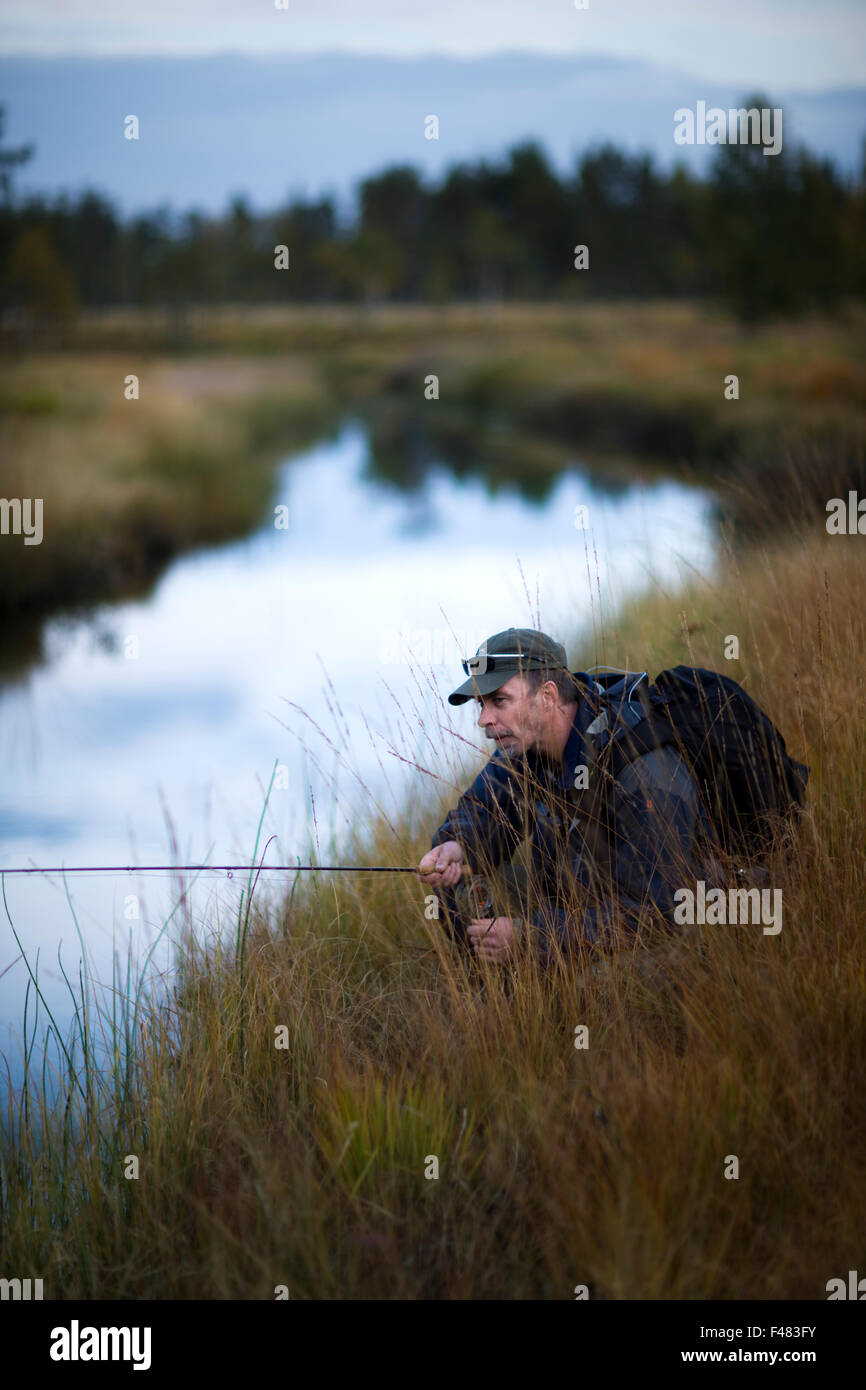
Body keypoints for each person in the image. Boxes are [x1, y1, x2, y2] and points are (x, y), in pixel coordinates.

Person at [418, 628, 722, 967]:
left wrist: (530, 936)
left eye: (499, 701)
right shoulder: (525, 749)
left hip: (677, 930)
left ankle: (555, 1000)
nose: (484, 720)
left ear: (547, 696)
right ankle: (504, 1001)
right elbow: (485, 809)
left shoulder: (644, 768)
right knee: (465, 886)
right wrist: (456, 846)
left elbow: (658, 910)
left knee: (596, 988)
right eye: (481, 704)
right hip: (588, 899)